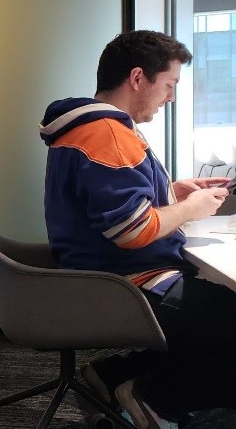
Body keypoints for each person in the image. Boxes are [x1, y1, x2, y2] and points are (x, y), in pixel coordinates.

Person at [39, 30, 234, 429]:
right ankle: (156, 400)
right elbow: (130, 231)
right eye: (169, 84)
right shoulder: (108, 135)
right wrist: (190, 208)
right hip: (124, 284)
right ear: (138, 78)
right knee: (225, 318)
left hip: (97, 273)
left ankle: (111, 375)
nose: (170, 97)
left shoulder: (84, 128)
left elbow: (104, 207)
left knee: (212, 312)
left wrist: (170, 192)